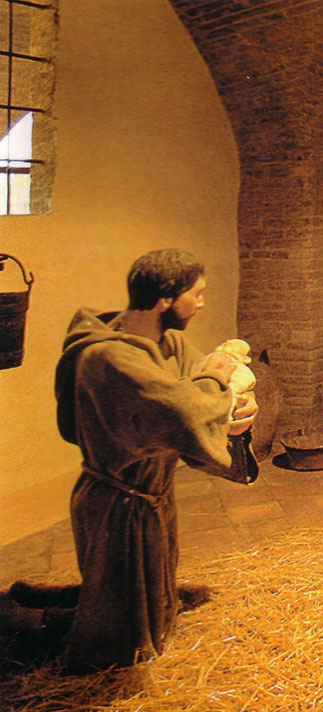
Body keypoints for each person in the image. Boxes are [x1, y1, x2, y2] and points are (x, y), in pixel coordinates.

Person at [1, 249, 259, 672]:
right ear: (165, 298)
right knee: (115, 639)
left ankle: (35, 597)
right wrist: (215, 380)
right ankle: (22, 622)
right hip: (117, 503)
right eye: (197, 294)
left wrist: (237, 411)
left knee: (149, 610)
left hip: (151, 496)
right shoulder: (108, 357)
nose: (202, 303)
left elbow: (202, 404)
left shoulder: (169, 342)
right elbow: (185, 410)